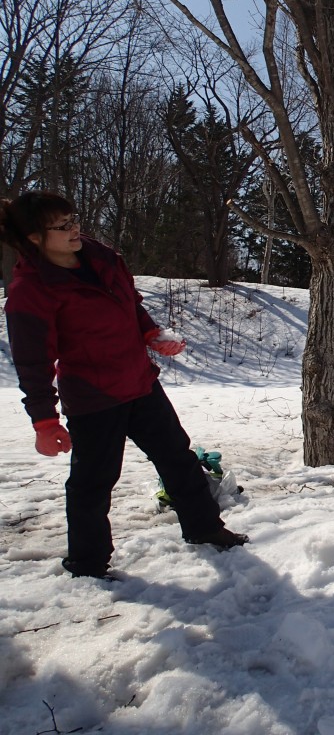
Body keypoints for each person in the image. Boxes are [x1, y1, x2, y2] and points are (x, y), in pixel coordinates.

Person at [1, 191, 248, 580]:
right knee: (93, 482)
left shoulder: (102, 258)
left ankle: (205, 529)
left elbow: (130, 304)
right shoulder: (31, 292)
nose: (74, 228)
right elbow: (33, 363)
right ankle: (87, 562)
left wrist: (151, 332)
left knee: (179, 460)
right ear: (34, 237)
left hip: (140, 383)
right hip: (92, 397)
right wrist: (44, 421)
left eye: (74, 218)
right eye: (62, 225)